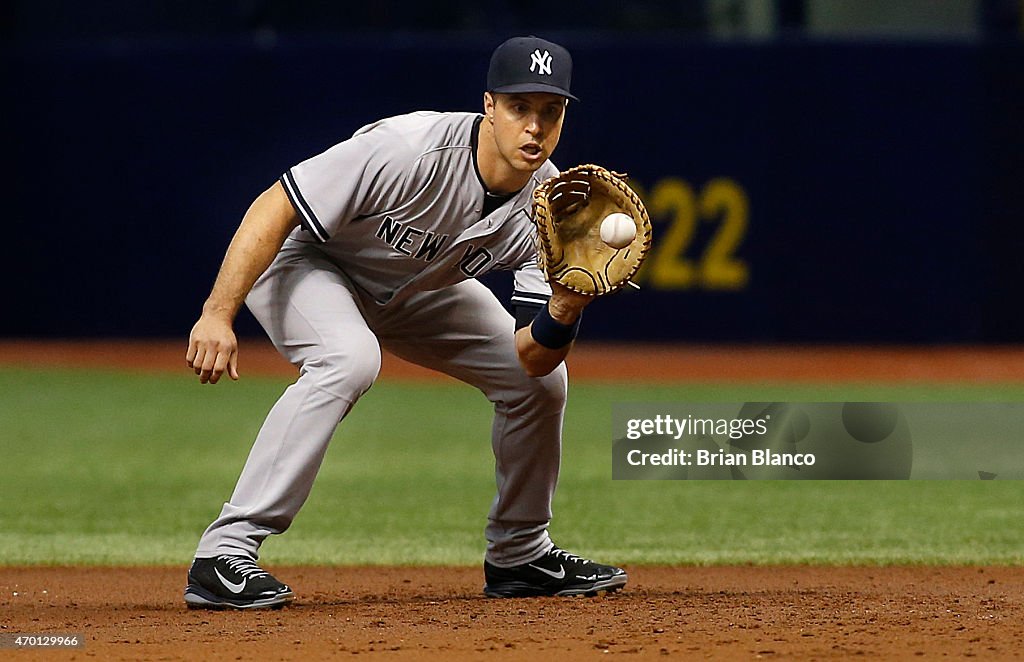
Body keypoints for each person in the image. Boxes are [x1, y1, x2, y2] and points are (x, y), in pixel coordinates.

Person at [183, 35, 627, 610]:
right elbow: (276, 205)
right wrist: (217, 314)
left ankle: (521, 556)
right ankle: (223, 554)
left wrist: (564, 310)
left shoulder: (554, 208)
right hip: (308, 259)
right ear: (489, 106)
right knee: (349, 358)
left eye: (551, 111)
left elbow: (531, 358)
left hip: (417, 287)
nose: (534, 128)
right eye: (520, 108)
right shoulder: (409, 149)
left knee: (540, 385)